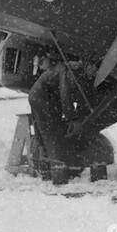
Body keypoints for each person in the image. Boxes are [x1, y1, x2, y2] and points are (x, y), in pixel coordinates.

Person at [28, 53, 86, 183]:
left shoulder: (67, 69)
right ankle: (58, 177)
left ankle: (48, 171)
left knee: (47, 134)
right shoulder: (67, 69)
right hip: (42, 97)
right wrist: (72, 118)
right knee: (52, 135)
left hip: (43, 97)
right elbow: (65, 95)